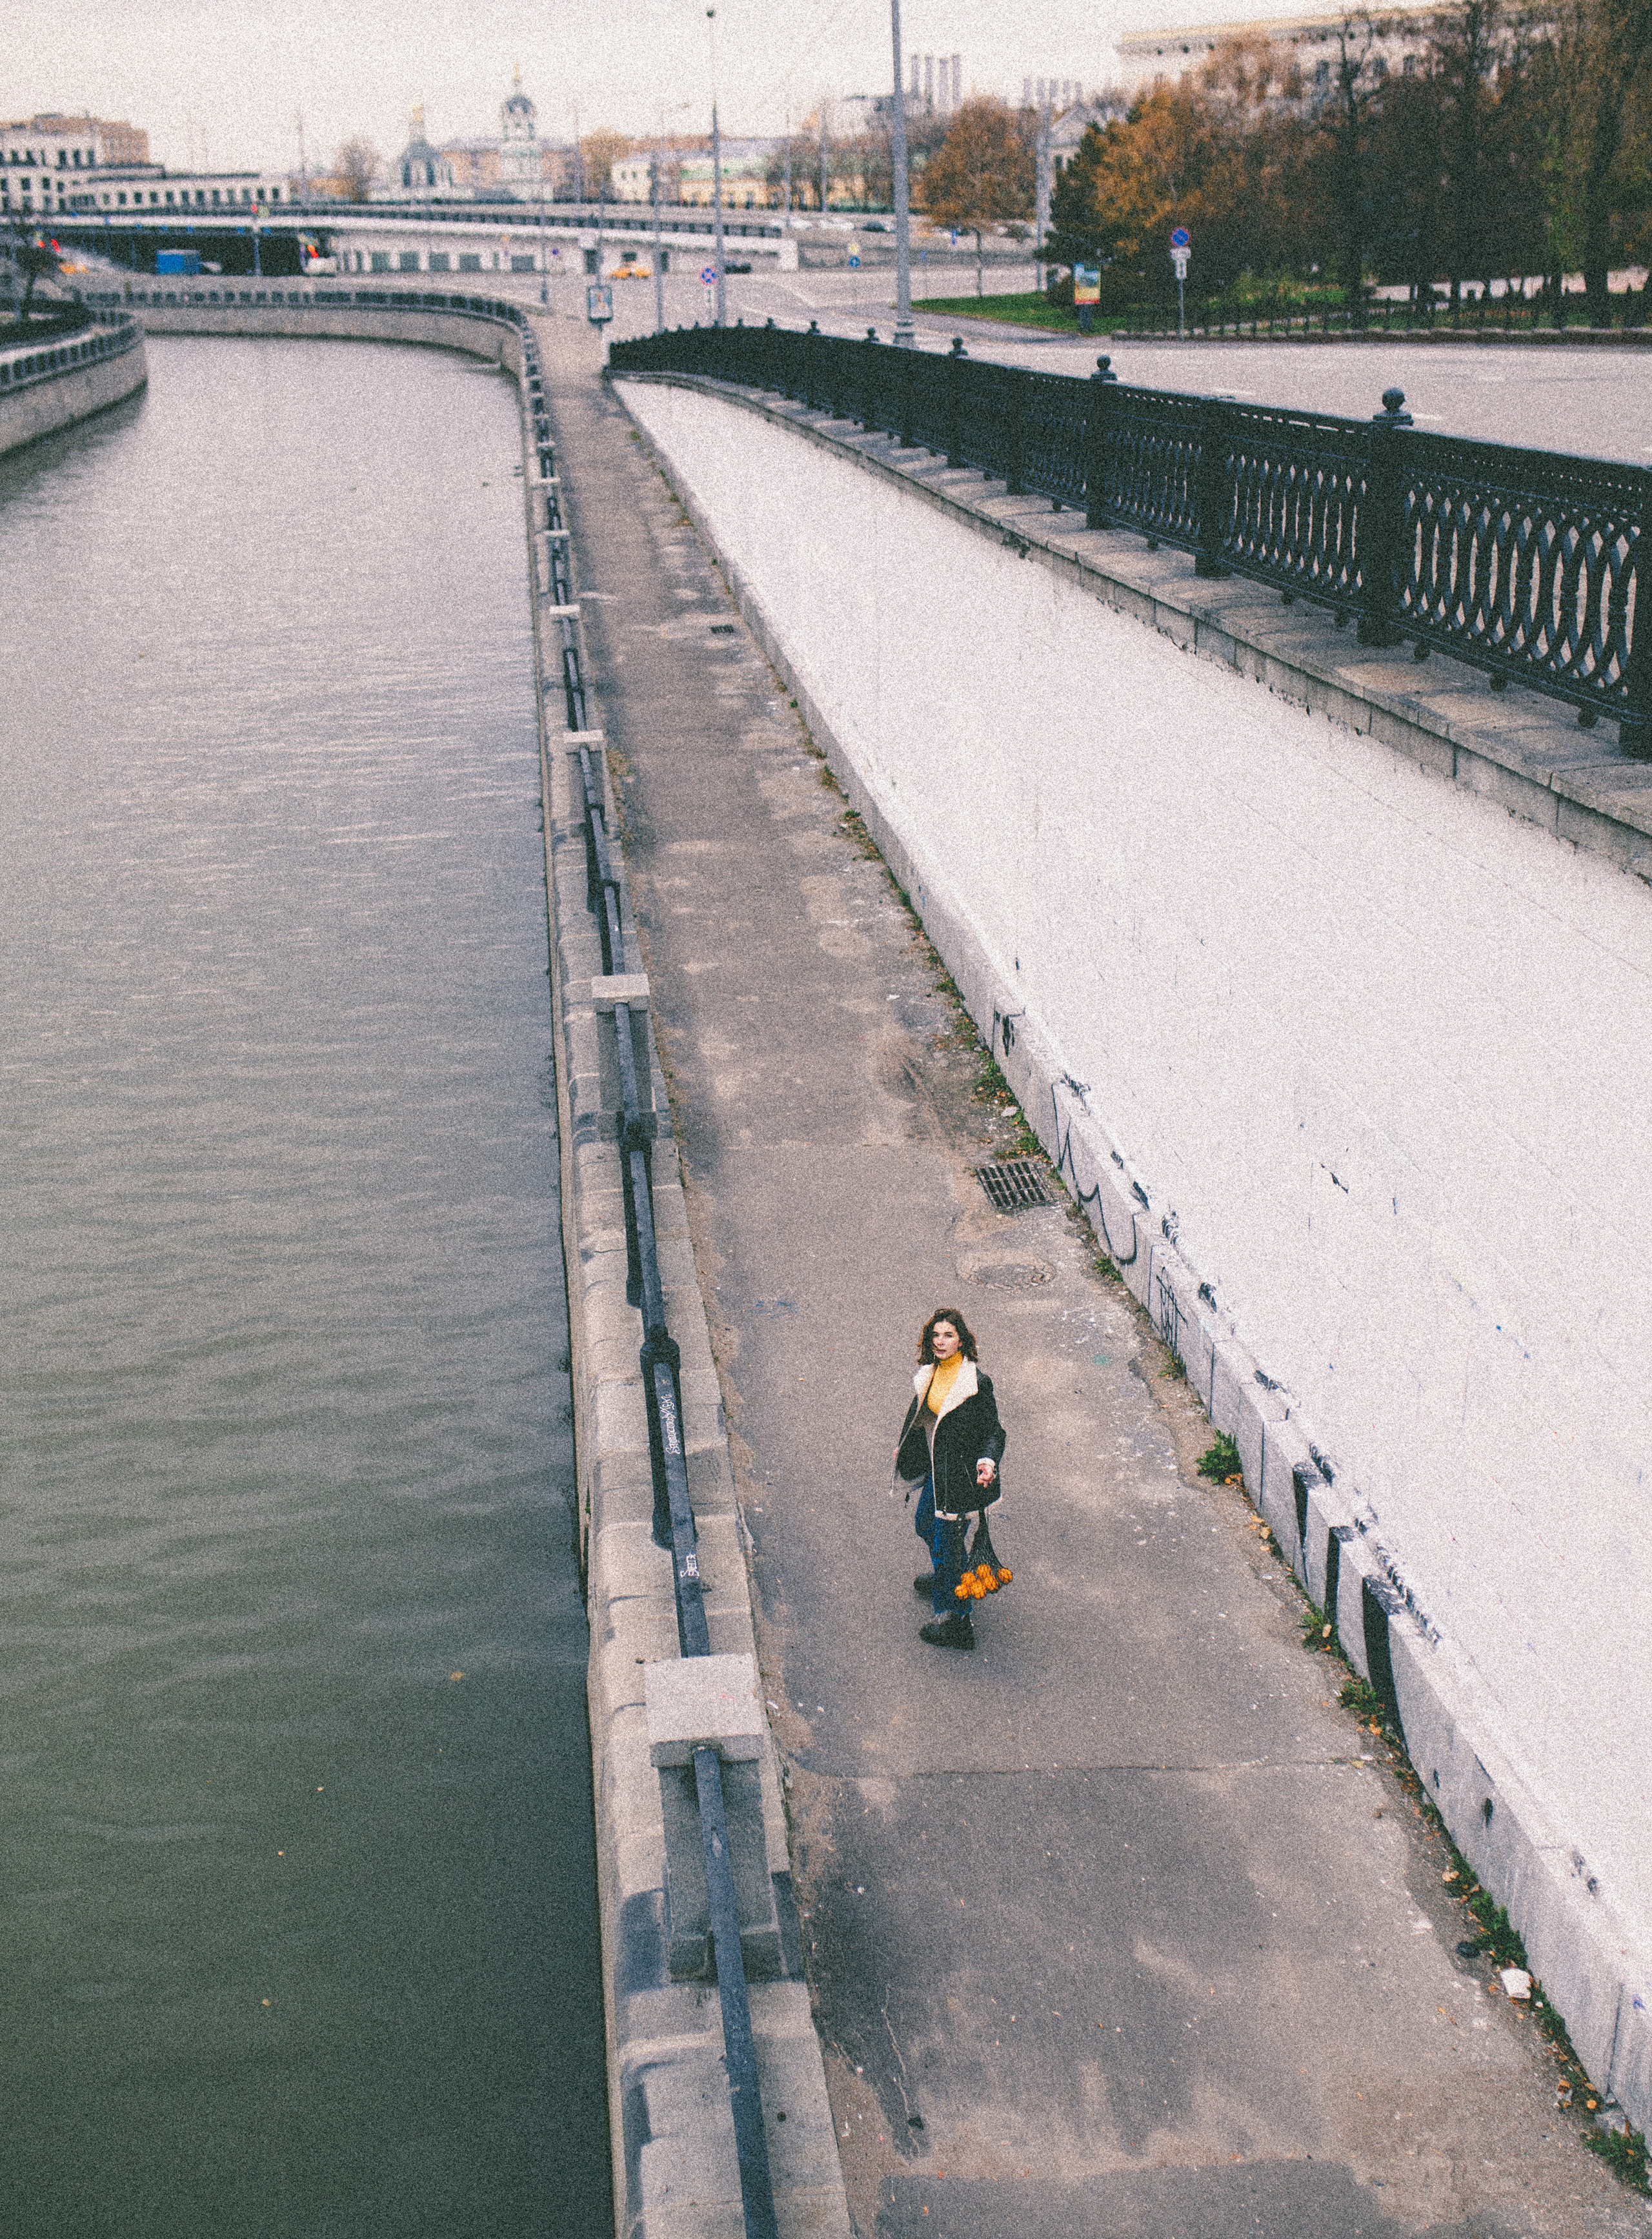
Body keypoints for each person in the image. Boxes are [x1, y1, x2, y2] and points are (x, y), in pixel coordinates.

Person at [892, 1306, 1006, 1650]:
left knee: (948, 1544)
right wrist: (905, 1447)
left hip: (960, 1478)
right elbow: (922, 1414)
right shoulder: (930, 1373)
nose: (940, 1342)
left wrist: (987, 1460)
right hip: (937, 1470)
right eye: (936, 1335)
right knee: (926, 1525)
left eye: (949, 1335)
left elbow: (994, 1431)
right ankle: (947, 1577)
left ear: (962, 1341)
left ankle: (957, 1621)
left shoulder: (976, 1383)